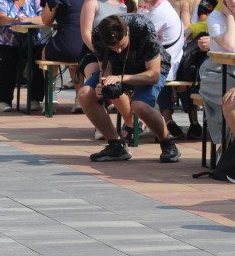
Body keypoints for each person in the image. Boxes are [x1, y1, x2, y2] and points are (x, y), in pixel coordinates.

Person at [77, 14, 181, 163]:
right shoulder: (99, 34)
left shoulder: (143, 28)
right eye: (113, 48)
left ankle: (167, 143)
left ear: (127, 31)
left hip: (148, 69)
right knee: (85, 94)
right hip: (118, 69)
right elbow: (105, 67)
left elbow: (153, 75)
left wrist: (121, 78)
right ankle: (116, 145)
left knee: (140, 105)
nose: (118, 51)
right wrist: (103, 84)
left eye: (121, 46)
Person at [79, 0, 137, 124]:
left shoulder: (129, 3)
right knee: (99, 80)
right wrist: (102, 54)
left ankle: (131, 121)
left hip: (121, 54)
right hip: (94, 53)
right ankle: (103, 123)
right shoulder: (93, 1)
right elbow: (86, 33)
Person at [139, 0, 185, 140]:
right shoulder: (160, 9)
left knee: (119, 77)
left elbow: (139, 40)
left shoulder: (160, 12)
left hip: (163, 67)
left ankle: (134, 125)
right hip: (164, 63)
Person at [0, 0, 44, 112]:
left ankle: (35, 99)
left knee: (39, 62)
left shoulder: (34, 0)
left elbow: (43, 17)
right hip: (6, 43)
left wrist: (27, 19)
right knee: (6, 64)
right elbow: (0, 17)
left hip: (32, 42)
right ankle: (4, 100)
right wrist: (14, 20)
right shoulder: (2, 1)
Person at [199, 0, 235, 156]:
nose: (233, 1)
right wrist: (229, 16)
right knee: (231, 100)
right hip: (216, 72)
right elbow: (229, 44)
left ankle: (229, 148)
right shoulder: (216, 17)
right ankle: (228, 146)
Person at [40, 0, 92, 65]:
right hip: (88, 46)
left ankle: (51, 76)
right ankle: (76, 76)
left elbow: (46, 21)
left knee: (44, 52)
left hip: (67, 46)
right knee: (74, 63)